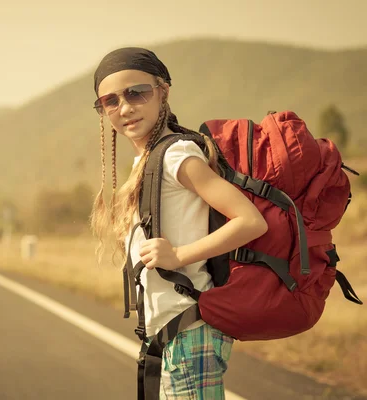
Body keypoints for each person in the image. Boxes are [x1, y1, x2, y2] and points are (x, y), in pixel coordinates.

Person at [89, 47, 268, 399]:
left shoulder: (175, 155)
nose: (124, 107)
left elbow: (250, 220)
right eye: (110, 101)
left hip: (189, 334)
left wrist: (179, 255)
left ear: (163, 91)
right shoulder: (149, 158)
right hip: (172, 336)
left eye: (136, 92)